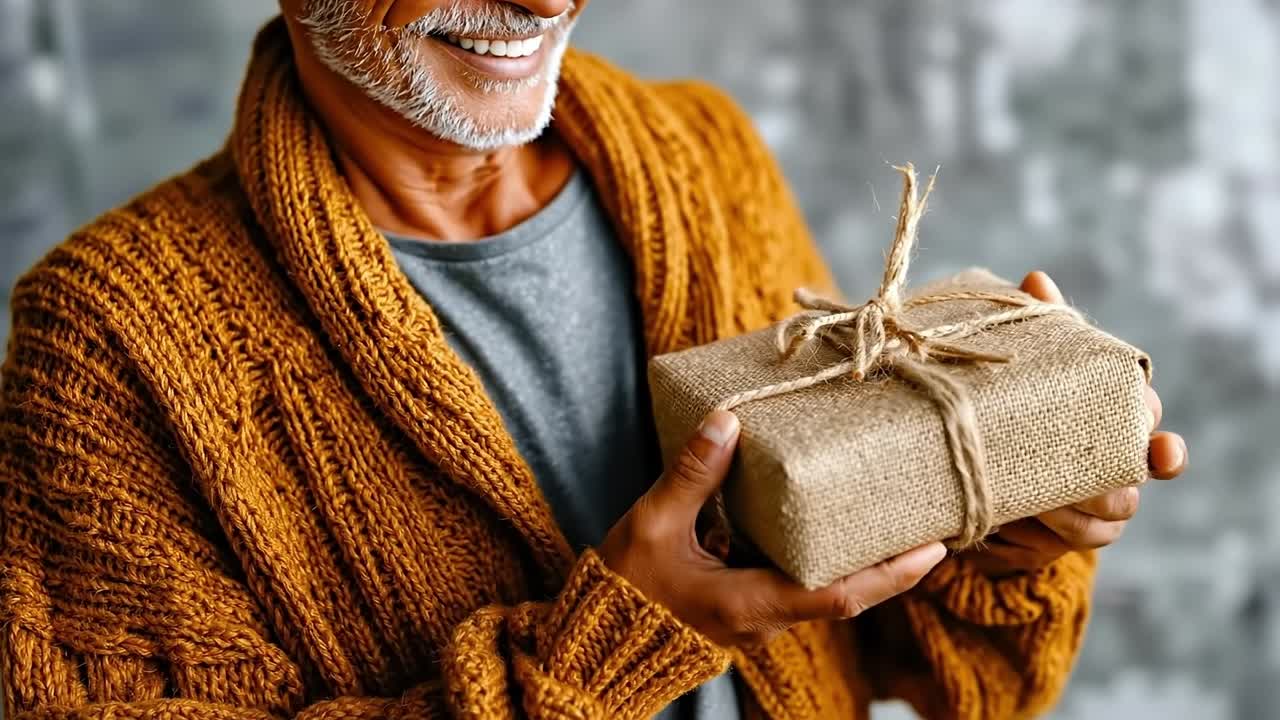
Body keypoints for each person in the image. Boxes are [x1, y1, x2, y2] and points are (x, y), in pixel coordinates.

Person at [0, 2, 1188, 718]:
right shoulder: (107, 341)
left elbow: (908, 672)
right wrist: (596, 661)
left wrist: (993, 536)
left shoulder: (701, 155)